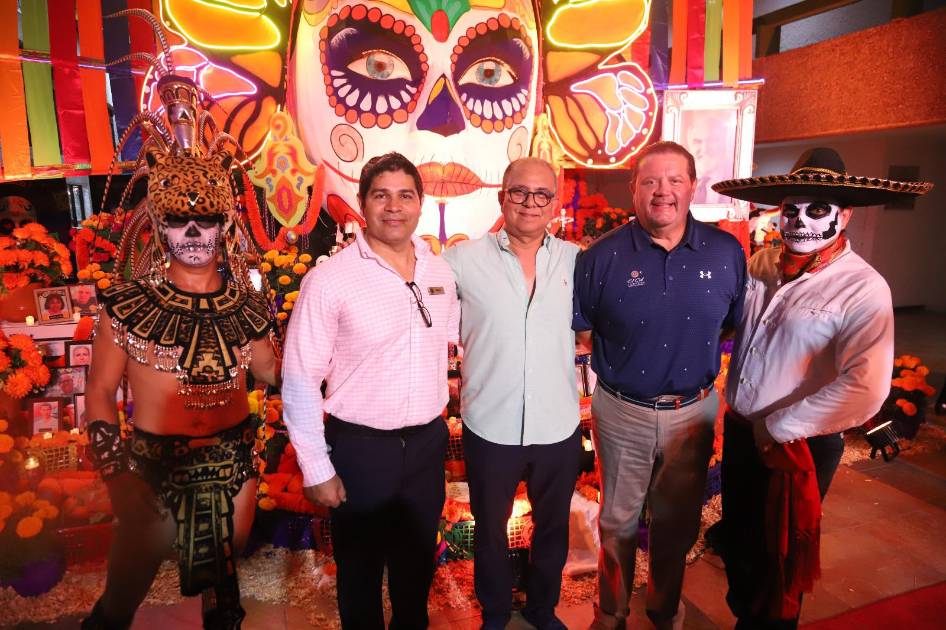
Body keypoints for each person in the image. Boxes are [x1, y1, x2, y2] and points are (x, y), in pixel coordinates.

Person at [82, 61, 278, 628]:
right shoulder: (126, 304)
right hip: (151, 468)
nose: (193, 233)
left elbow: (275, 373)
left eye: (206, 220)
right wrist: (116, 472)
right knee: (122, 595)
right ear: (159, 225)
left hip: (233, 461)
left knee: (224, 595)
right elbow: (99, 392)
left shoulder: (247, 304)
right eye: (178, 221)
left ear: (225, 226)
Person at [711, 147, 932, 629]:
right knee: (741, 547)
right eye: (791, 209)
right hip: (742, 434)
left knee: (779, 563)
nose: (800, 221)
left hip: (797, 445)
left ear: (844, 215)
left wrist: (778, 427)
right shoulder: (761, 265)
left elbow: (866, 385)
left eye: (817, 209)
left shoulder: (863, 288)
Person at [572, 141, 746, 630]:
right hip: (621, 410)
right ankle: (611, 614)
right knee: (616, 522)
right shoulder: (601, 256)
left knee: (676, 524)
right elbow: (584, 332)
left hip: (693, 412)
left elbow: (731, 324)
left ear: (692, 186)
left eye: (674, 180)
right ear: (634, 189)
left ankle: (664, 610)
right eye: (650, 181)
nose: (662, 191)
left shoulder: (726, 252)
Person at [282, 152, 460, 630]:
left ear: (420, 204)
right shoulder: (330, 279)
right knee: (359, 576)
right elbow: (299, 378)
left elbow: (457, 340)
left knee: (416, 570)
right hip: (360, 448)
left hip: (426, 445)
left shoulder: (439, 273)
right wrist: (316, 466)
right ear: (362, 204)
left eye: (405, 195)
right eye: (381, 195)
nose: (394, 207)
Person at [443, 157, 580, 630]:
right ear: (503, 196)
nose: (530, 203)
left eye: (542, 194)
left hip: (557, 422)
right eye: (519, 192)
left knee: (553, 528)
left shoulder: (576, 261)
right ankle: (496, 612)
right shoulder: (460, 261)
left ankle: (542, 608)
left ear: (555, 203)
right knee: (490, 530)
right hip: (490, 421)